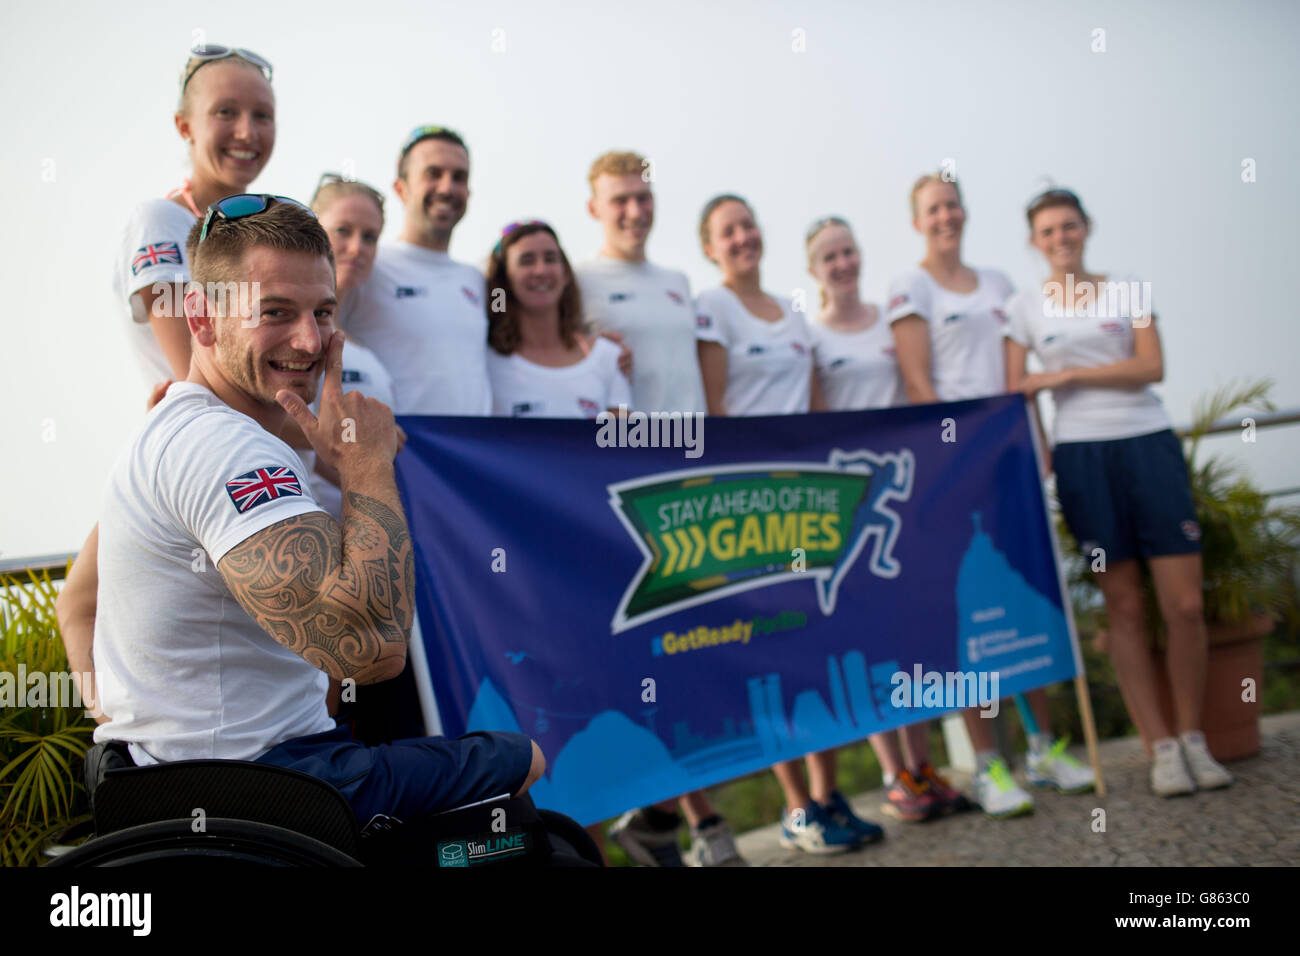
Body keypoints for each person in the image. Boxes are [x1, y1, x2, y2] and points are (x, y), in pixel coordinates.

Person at [76, 196, 544, 827]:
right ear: (202, 315)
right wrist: (365, 464)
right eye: (276, 312)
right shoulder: (222, 446)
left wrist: (138, 722)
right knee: (528, 763)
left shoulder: (190, 430)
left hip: (198, 775)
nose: (308, 340)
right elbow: (370, 651)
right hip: (261, 784)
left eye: (323, 312)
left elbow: (76, 600)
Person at [1005, 187, 1232, 797]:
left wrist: (1068, 375)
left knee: (1184, 604)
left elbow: (1150, 365)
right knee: (1124, 606)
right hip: (1082, 460)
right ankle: (1159, 746)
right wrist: (1041, 451)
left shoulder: (1125, 286)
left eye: (1069, 226)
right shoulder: (1022, 307)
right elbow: (1015, 393)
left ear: (1087, 228)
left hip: (1148, 445)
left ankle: (1194, 738)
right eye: (1048, 231)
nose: (1060, 238)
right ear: (1034, 241)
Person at [888, 173, 1093, 818]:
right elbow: (919, 386)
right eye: (933, 209)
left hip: (1013, 466)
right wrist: (962, 454)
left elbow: (1017, 377)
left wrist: (1038, 443)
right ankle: (987, 763)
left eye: (952, 205)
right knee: (973, 618)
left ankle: (1043, 745)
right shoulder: (910, 287)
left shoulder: (1002, 283)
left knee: (1028, 602)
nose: (946, 216)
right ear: (918, 221)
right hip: (951, 474)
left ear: (965, 212)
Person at [696, 194, 873, 855]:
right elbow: (715, 410)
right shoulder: (712, 309)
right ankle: (796, 808)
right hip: (753, 509)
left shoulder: (794, 312)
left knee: (818, 654)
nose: (743, 237)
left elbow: (817, 404)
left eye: (748, 225)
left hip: (812, 504)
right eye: (727, 231)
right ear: (711, 247)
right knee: (768, 657)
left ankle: (829, 796)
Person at [574, 152, 737, 867]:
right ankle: (689, 824)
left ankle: (659, 819)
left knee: (700, 660)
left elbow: (702, 387)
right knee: (650, 665)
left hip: (694, 485)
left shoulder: (678, 285)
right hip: (629, 496)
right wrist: (586, 349)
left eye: (644, 197)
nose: (635, 211)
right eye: (620, 200)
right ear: (594, 208)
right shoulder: (577, 283)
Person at [806, 216, 961, 824]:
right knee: (865, 644)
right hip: (848, 504)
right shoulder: (812, 336)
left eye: (848, 251)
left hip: (905, 494)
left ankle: (922, 765)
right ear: (814, 270)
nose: (842, 264)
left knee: (912, 639)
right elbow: (818, 421)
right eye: (828, 257)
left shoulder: (888, 324)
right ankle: (892, 771)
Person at [114, 44, 275, 386]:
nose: (247, 132)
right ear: (184, 126)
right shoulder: (162, 221)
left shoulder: (268, 236)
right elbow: (204, 385)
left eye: (262, 115)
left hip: (273, 440)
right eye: (225, 112)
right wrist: (329, 432)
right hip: (221, 437)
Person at [335, 125, 491, 416]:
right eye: (433, 174)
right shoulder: (367, 265)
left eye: (459, 177)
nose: (447, 188)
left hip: (468, 456)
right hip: (395, 455)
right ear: (401, 188)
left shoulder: (477, 280)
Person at [306, 173, 396, 520]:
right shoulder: (293, 334)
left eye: (370, 237)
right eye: (343, 230)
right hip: (310, 534)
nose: (357, 247)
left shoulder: (366, 352)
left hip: (373, 541)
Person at [484, 220, 630, 417]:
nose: (541, 271)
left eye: (550, 259)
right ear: (505, 280)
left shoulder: (608, 357)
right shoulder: (486, 359)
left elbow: (621, 443)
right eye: (526, 261)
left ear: (566, 274)